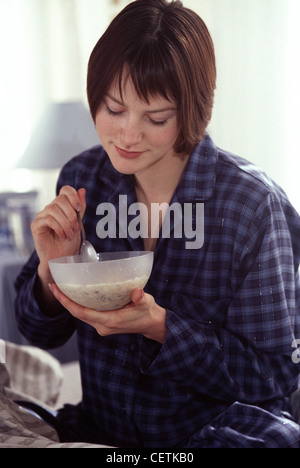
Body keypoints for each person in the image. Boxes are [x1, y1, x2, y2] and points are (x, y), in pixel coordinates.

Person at [14, 0, 300, 448]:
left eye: (156, 118)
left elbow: (273, 377)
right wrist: (54, 271)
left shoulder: (250, 205)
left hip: (215, 434)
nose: (127, 135)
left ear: (193, 111)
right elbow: (38, 333)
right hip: (103, 431)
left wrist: (161, 327)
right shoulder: (83, 178)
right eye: (113, 109)